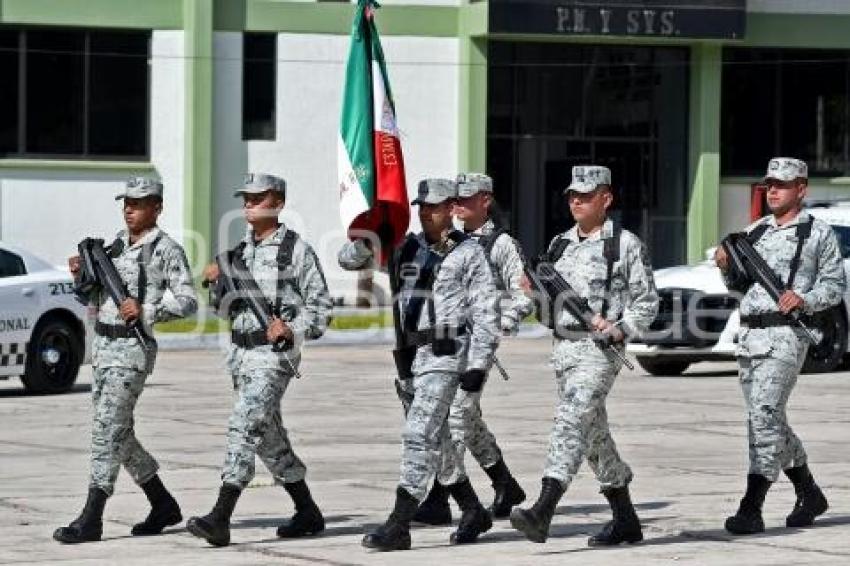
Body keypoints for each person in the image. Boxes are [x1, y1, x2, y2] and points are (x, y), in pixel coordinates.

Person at [339, 178, 500, 551]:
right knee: (439, 442)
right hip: (411, 358)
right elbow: (348, 261)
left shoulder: (468, 253)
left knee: (417, 434)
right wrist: (371, 236)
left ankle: (399, 523)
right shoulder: (406, 247)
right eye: (421, 207)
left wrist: (478, 365)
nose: (427, 212)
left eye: (435, 206)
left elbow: (487, 314)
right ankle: (473, 510)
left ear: (451, 209)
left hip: (447, 355)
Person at [510, 165, 658, 546]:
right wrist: (530, 291)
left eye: (585, 195)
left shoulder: (624, 244)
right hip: (563, 349)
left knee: (571, 421)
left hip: (599, 350)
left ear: (606, 199)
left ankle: (543, 508)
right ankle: (625, 518)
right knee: (592, 434)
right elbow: (546, 304)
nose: (576, 201)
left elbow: (647, 302)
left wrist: (621, 328)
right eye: (572, 195)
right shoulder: (560, 244)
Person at [188, 173, 333, 547]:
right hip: (239, 356)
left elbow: (321, 310)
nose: (249, 203)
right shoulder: (239, 254)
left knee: (245, 424)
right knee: (268, 437)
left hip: (273, 358)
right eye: (246, 198)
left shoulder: (295, 251)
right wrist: (212, 283)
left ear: (278, 203)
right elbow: (224, 311)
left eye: (258, 197)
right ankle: (307, 510)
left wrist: (291, 329)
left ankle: (221, 516)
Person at [55, 177, 198, 544]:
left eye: (138, 203)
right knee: (119, 434)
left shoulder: (167, 249)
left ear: (157, 208)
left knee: (106, 431)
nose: (129, 209)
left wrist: (147, 309)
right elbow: (91, 297)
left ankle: (92, 518)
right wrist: (80, 276)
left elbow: (188, 300)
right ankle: (162, 503)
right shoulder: (114, 247)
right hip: (103, 350)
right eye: (126, 203)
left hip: (132, 353)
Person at [715, 157, 844, 535]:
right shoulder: (755, 232)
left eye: (782, 184)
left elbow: (834, 286)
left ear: (801, 189)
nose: (772, 190)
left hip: (787, 336)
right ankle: (809, 492)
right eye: (769, 183)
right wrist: (725, 266)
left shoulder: (818, 233)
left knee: (765, 414)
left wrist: (803, 299)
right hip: (750, 338)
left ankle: (751, 506)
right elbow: (739, 288)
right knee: (768, 418)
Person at [414, 172, 530, 525]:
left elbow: (523, 292)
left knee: (457, 417)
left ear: (486, 200)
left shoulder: (501, 244)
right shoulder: (451, 241)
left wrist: (498, 325)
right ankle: (504, 483)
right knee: (467, 418)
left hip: (477, 345)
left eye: (466, 199)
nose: (458, 205)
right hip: (445, 345)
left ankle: (439, 495)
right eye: (456, 200)